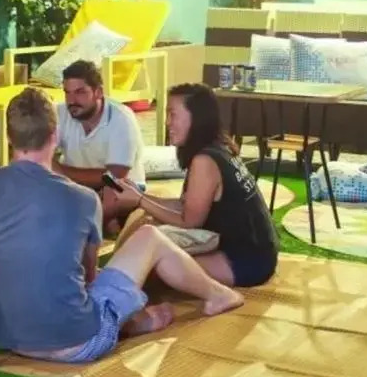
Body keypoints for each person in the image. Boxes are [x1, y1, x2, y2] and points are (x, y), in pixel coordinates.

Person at [0, 87, 243, 376]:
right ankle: (215, 296)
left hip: (15, 341)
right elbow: (88, 279)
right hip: (81, 343)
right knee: (150, 238)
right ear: (55, 136)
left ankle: (143, 318)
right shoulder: (84, 199)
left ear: (10, 137)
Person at [115, 83, 280, 288]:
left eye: (173, 114)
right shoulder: (216, 148)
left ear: (196, 118)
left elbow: (189, 221)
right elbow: (185, 205)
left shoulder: (205, 161)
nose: (167, 122)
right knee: (145, 224)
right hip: (250, 249)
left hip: (246, 261)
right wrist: (138, 197)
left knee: (149, 264)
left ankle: (218, 298)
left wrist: (140, 200)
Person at [52, 60, 145, 231]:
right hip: (77, 187)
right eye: (67, 93)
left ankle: (88, 230)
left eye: (80, 92)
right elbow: (39, 150)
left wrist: (61, 171)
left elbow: (115, 176)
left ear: (98, 92)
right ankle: (101, 224)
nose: (72, 101)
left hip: (122, 189)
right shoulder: (61, 113)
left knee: (112, 193)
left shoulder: (121, 119)